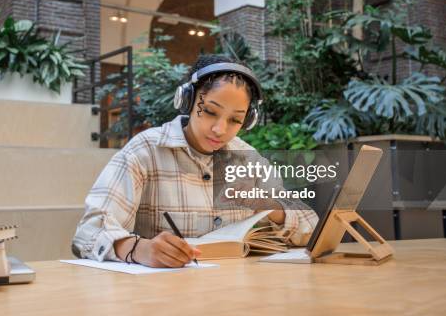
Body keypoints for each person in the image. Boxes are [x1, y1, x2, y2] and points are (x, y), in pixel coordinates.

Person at [72, 54, 318, 268]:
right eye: (210, 111)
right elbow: (88, 233)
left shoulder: (248, 159)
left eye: (235, 120)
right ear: (187, 100)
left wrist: (268, 205)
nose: (220, 129)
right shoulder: (144, 151)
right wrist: (139, 249)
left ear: (249, 119)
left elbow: (312, 228)